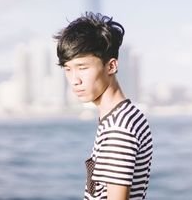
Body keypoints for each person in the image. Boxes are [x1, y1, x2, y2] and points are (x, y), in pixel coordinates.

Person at [54, 12, 153, 200]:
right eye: (68, 69)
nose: (74, 80)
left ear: (111, 66)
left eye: (83, 68)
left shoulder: (118, 128)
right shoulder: (127, 115)